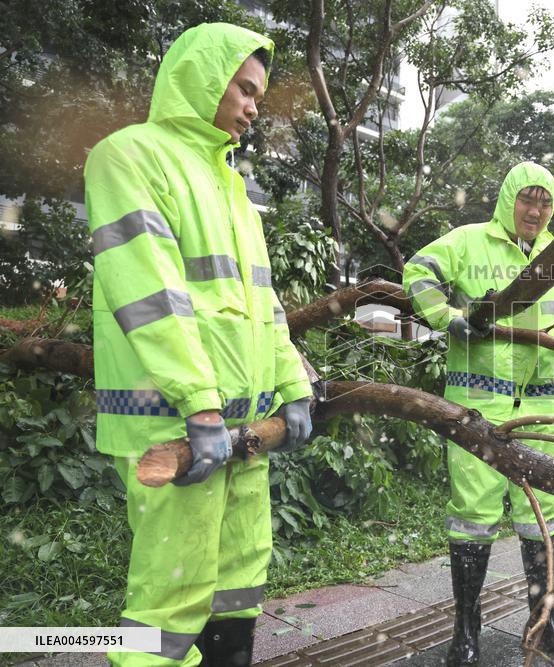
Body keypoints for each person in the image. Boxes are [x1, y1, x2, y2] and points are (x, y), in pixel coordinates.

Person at [84, 23, 313, 666]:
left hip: (243, 431)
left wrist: (293, 388)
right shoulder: (130, 156)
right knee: (167, 608)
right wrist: (200, 405)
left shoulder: (236, 191)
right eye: (244, 89)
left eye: (260, 98)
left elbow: (265, 307)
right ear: (204, 80)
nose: (251, 107)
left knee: (238, 588)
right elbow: (151, 296)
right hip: (175, 427)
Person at [402, 161, 554, 666]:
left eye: (545, 202)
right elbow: (418, 271)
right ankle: (466, 632)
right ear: (509, 197)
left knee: (543, 515)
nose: (536, 210)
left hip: (541, 407)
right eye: (527, 198)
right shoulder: (468, 242)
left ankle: (544, 622)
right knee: (473, 519)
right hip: (476, 408)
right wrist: (447, 318)